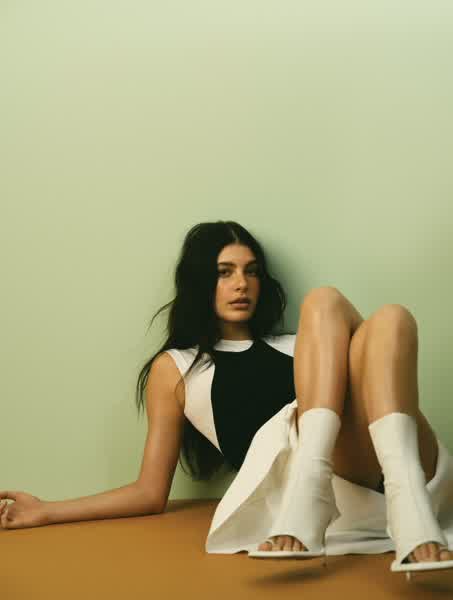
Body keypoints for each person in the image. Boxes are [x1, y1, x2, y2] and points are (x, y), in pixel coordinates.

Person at [2, 220, 453, 578]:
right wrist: (48, 511)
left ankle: (400, 501)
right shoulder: (178, 368)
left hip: (404, 470)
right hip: (345, 495)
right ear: (200, 281)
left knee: (387, 317)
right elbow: (149, 491)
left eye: (251, 271)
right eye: (225, 272)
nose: (242, 284)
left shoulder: (305, 343)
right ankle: (338, 497)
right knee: (330, 304)